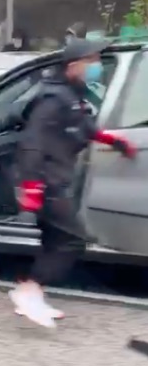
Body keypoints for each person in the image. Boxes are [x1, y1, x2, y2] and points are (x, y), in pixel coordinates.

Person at [13, 38, 137, 328]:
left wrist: (111, 139)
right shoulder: (52, 99)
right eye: (91, 61)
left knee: (54, 239)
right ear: (72, 66)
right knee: (72, 240)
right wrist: (31, 185)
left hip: (57, 178)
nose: (96, 67)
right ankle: (29, 290)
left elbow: (82, 126)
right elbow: (32, 143)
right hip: (46, 181)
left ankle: (33, 294)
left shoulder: (71, 95)